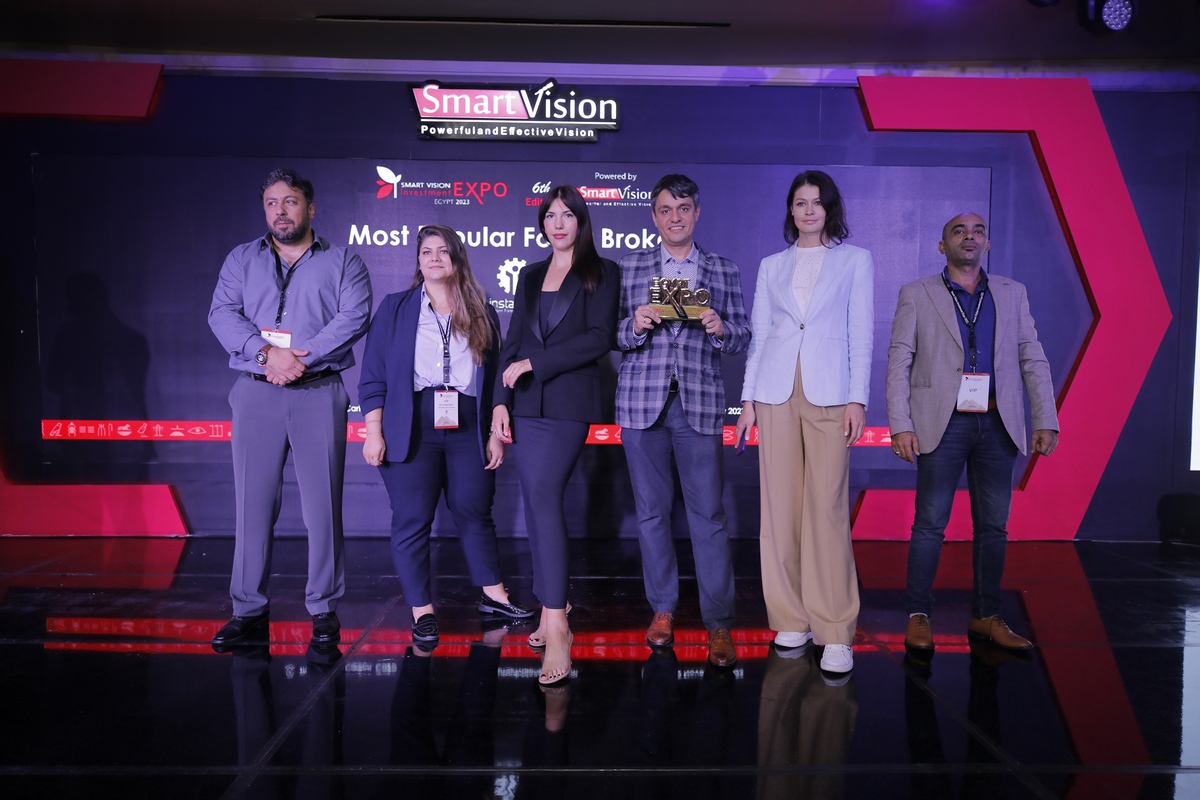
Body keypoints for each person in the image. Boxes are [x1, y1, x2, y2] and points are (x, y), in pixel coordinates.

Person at [208, 168, 372, 648]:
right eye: (271, 203)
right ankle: (247, 609)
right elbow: (222, 313)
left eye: (290, 201)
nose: (280, 211)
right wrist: (267, 355)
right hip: (256, 390)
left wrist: (299, 359)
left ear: (310, 208)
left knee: (322, 507)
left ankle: (323, 609)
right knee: (252, 504)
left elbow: (354, 316)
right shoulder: (241, 258)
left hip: (318, 391)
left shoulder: (343, 260)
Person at [887, 212, 1059, 653]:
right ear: (942, 246)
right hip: (941, 423)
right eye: (959, 231)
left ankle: (986, 616)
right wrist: (900, 423)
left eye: (978, 230)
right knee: (930, 524)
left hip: (998, 423)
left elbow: (1032, 357)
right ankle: (918, 615)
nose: (970, 236)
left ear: (988, 243)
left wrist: (1045, 418)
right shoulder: (917, 293)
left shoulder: (1012, 292)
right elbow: (899, 361)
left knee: (993, 527)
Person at [357, 224, 534, 646]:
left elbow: (495, 377)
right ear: (418, 262)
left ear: (456, 258)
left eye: (442, 251)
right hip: (411, 422)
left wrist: (494, 431)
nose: (434, 258)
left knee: (474, 509)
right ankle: (422, 611)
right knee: (412, 519)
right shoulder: (395, 308)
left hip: (468, 421)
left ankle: (494, 596)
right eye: (426, 252)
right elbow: (373, 374)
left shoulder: (480, 308)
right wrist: (373, 431)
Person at [735, 170, 873, 675]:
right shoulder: (771, 265)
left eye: (816, 202)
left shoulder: (856, 260)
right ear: (790, 210)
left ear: (829, 208)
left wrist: (857, 399)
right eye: (800, 202)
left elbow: (861, 332)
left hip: (830, 393)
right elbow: (761, 334)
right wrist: (747, 399)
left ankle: (834, 630)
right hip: (774, 392)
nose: (808, 210)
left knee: (827, 510)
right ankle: (791, 618)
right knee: (779, 512)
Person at [616, 173, 751, 668]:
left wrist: (720, 327)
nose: (675, 217)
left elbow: (743, 335)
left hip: (699, 402)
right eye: (666, 209)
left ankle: (719, 623)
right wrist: (634, 324)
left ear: (697, 212)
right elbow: (611, 333)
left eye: (684, 208)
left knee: (709, 516)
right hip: (642, 403)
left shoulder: (722, 269)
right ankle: (662, 609)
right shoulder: (630, 266)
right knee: (651, 513)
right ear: (654, 216)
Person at [492, 185, 620, 685]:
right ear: (542, 223)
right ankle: (552, 610)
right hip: (525, 404)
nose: (559, 223)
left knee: (544, 497)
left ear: (581, 221)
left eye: (568, 215)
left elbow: (599, 339)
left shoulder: (602, 271)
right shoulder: (529, 274)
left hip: (568, 403)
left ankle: (559, 625)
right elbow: (513, 342)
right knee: (534, 503)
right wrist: (499, 403)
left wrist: (534, 364)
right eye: (550, 215)